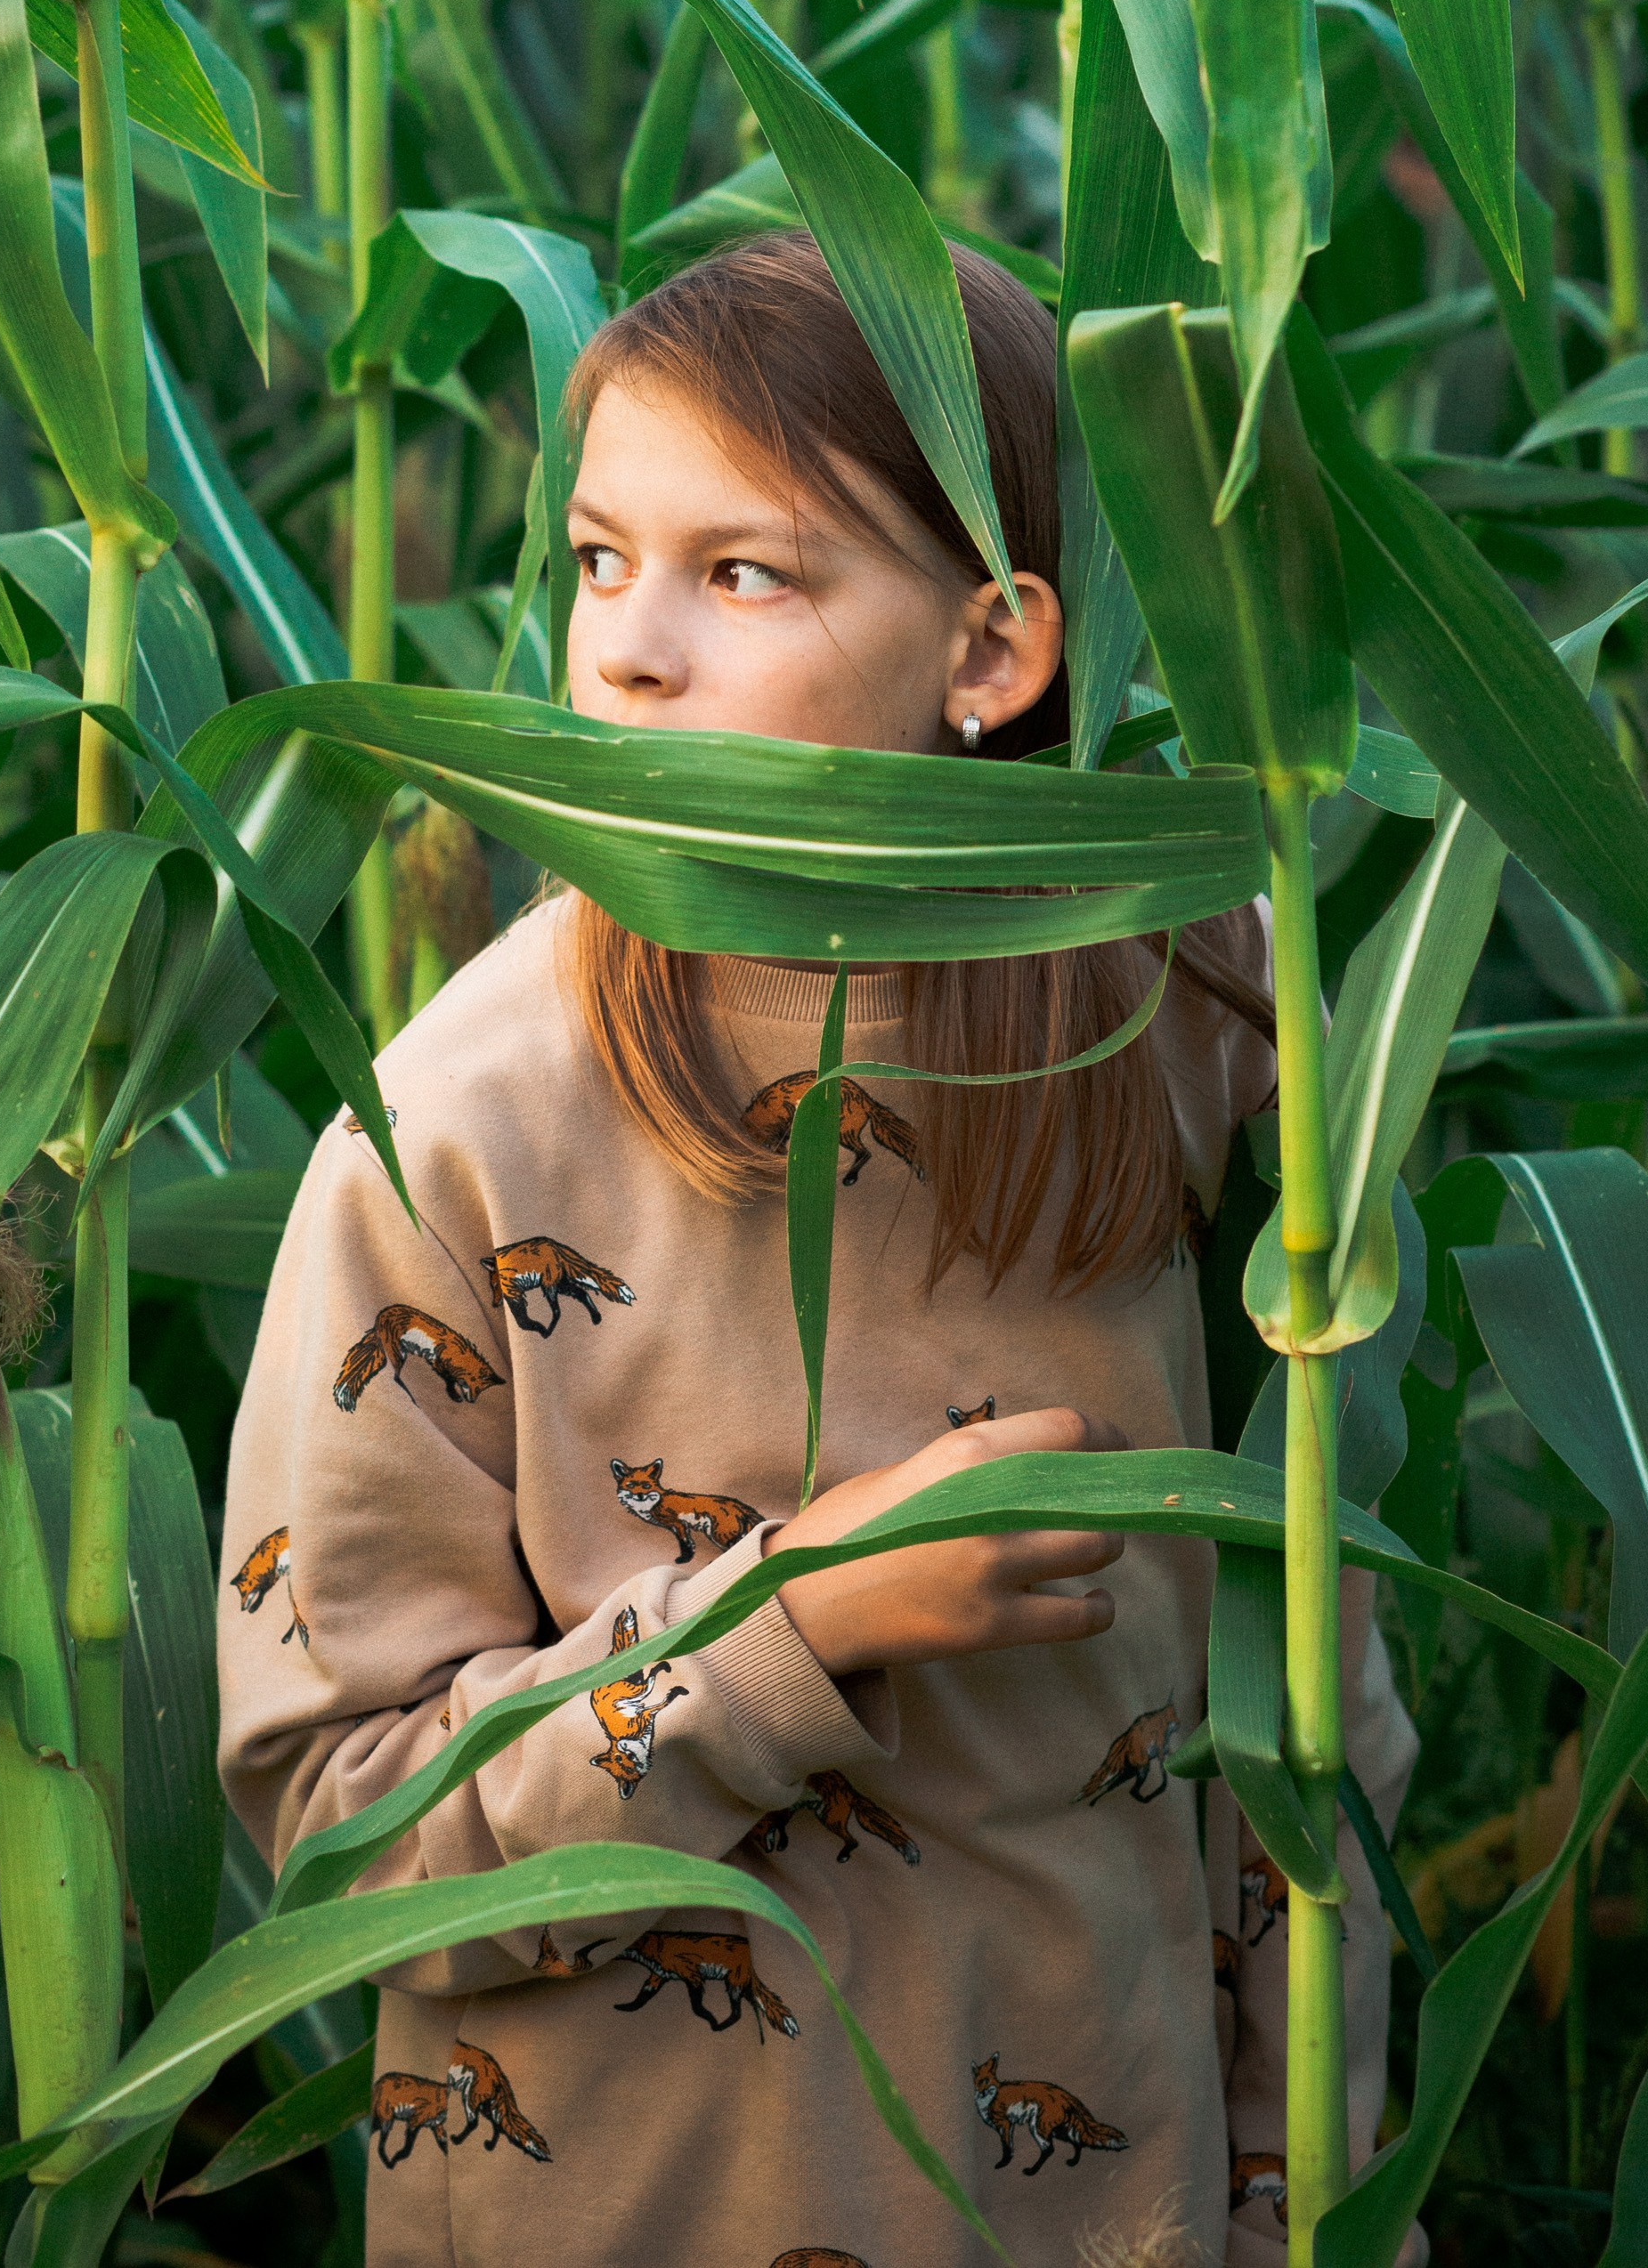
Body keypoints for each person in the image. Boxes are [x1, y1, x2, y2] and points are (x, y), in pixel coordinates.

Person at [219, 232, 1417, 2266]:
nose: (623, 652)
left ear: (990, 653)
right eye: (598, 560)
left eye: (741, 572)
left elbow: (1310, 1736)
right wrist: (806, 1614)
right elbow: (346, 1841)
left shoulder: (1195, 1031)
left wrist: (1316, 2196)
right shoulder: (449, 1131)